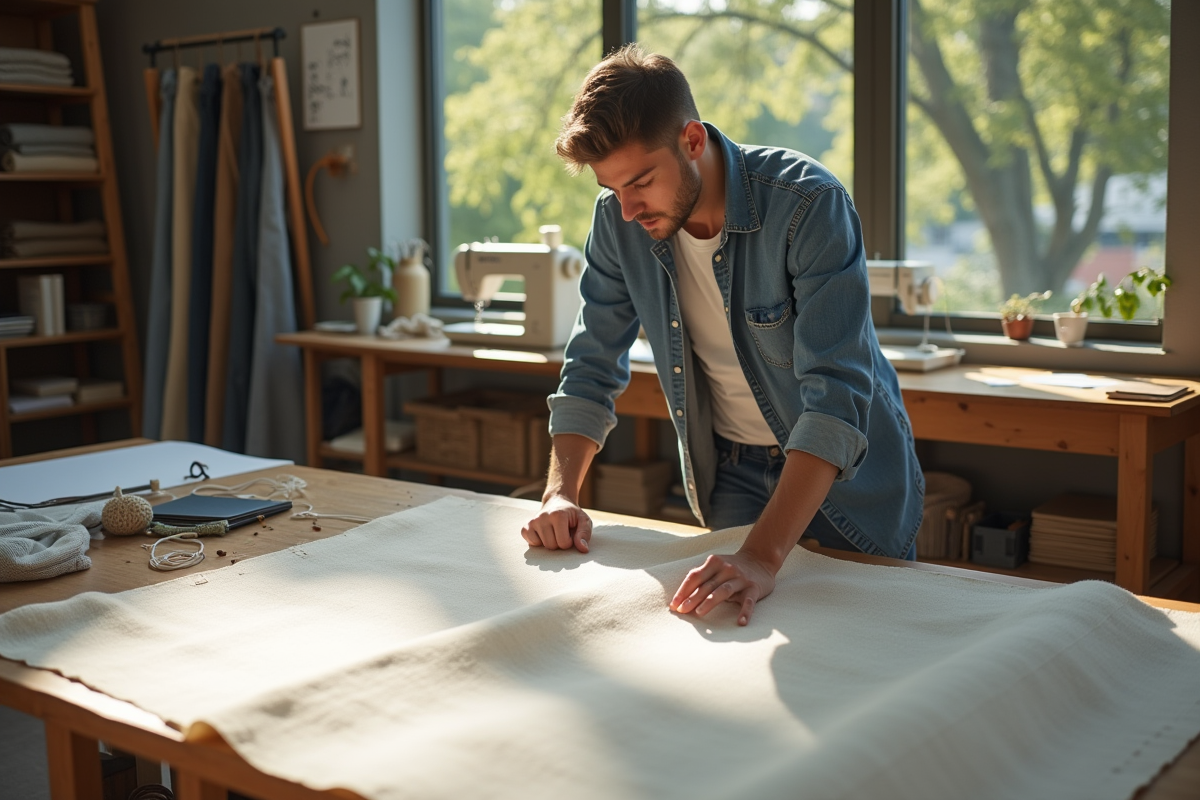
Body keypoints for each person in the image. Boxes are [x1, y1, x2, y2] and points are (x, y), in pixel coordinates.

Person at [520, 44, 924, 626]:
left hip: (844, 482)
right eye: (611, 190)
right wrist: (561, 493)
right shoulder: (618, 221)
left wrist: (762, 554)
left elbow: (835, 401)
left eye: (640, 183)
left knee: (870, 642)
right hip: (729, 472)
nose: (627, 211)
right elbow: (590, 364)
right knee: (736, 641)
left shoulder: (809, 204)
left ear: (691, 140)